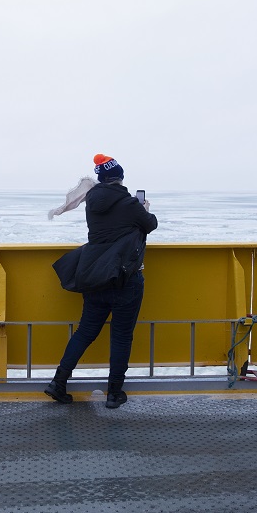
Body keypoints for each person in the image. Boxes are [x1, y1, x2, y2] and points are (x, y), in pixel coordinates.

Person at [46, 154, 158, 408]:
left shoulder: (92, 201)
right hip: (124, 279)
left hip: (95, 275)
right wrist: (144, 209)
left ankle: (58, 382)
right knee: (121, 336)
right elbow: (150, 224)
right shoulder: (130, 204)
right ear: (120, 177)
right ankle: (114, 393)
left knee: (85, 331)